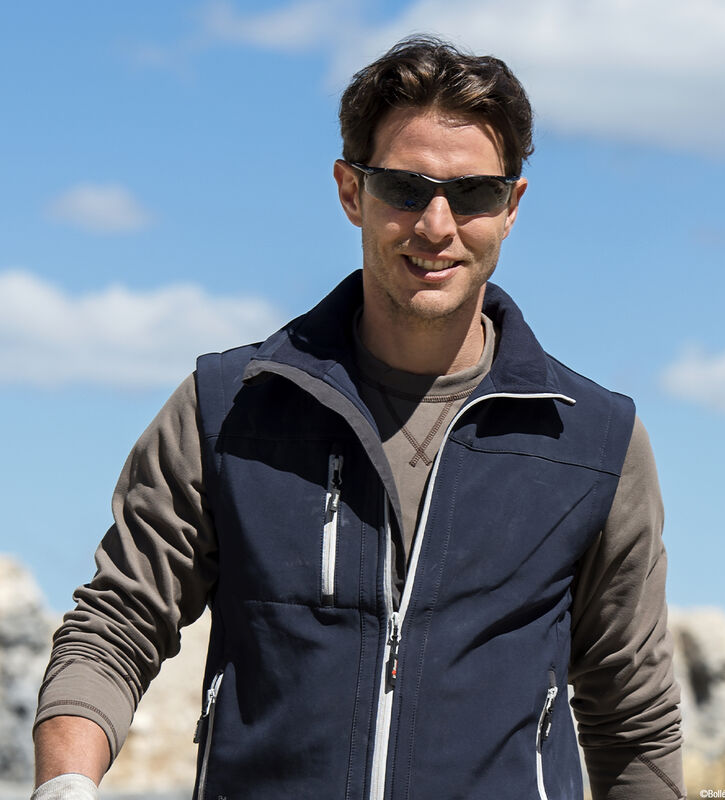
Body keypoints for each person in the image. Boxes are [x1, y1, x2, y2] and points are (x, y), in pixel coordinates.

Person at [31, 35, 685, 800]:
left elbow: (634, 719)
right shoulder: (227, 408)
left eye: (473, 194)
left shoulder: (594, 444)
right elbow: (116, 625)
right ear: (351, 192)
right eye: (405, 189)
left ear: (511, 207)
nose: (436, 224)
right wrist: (64, 785)